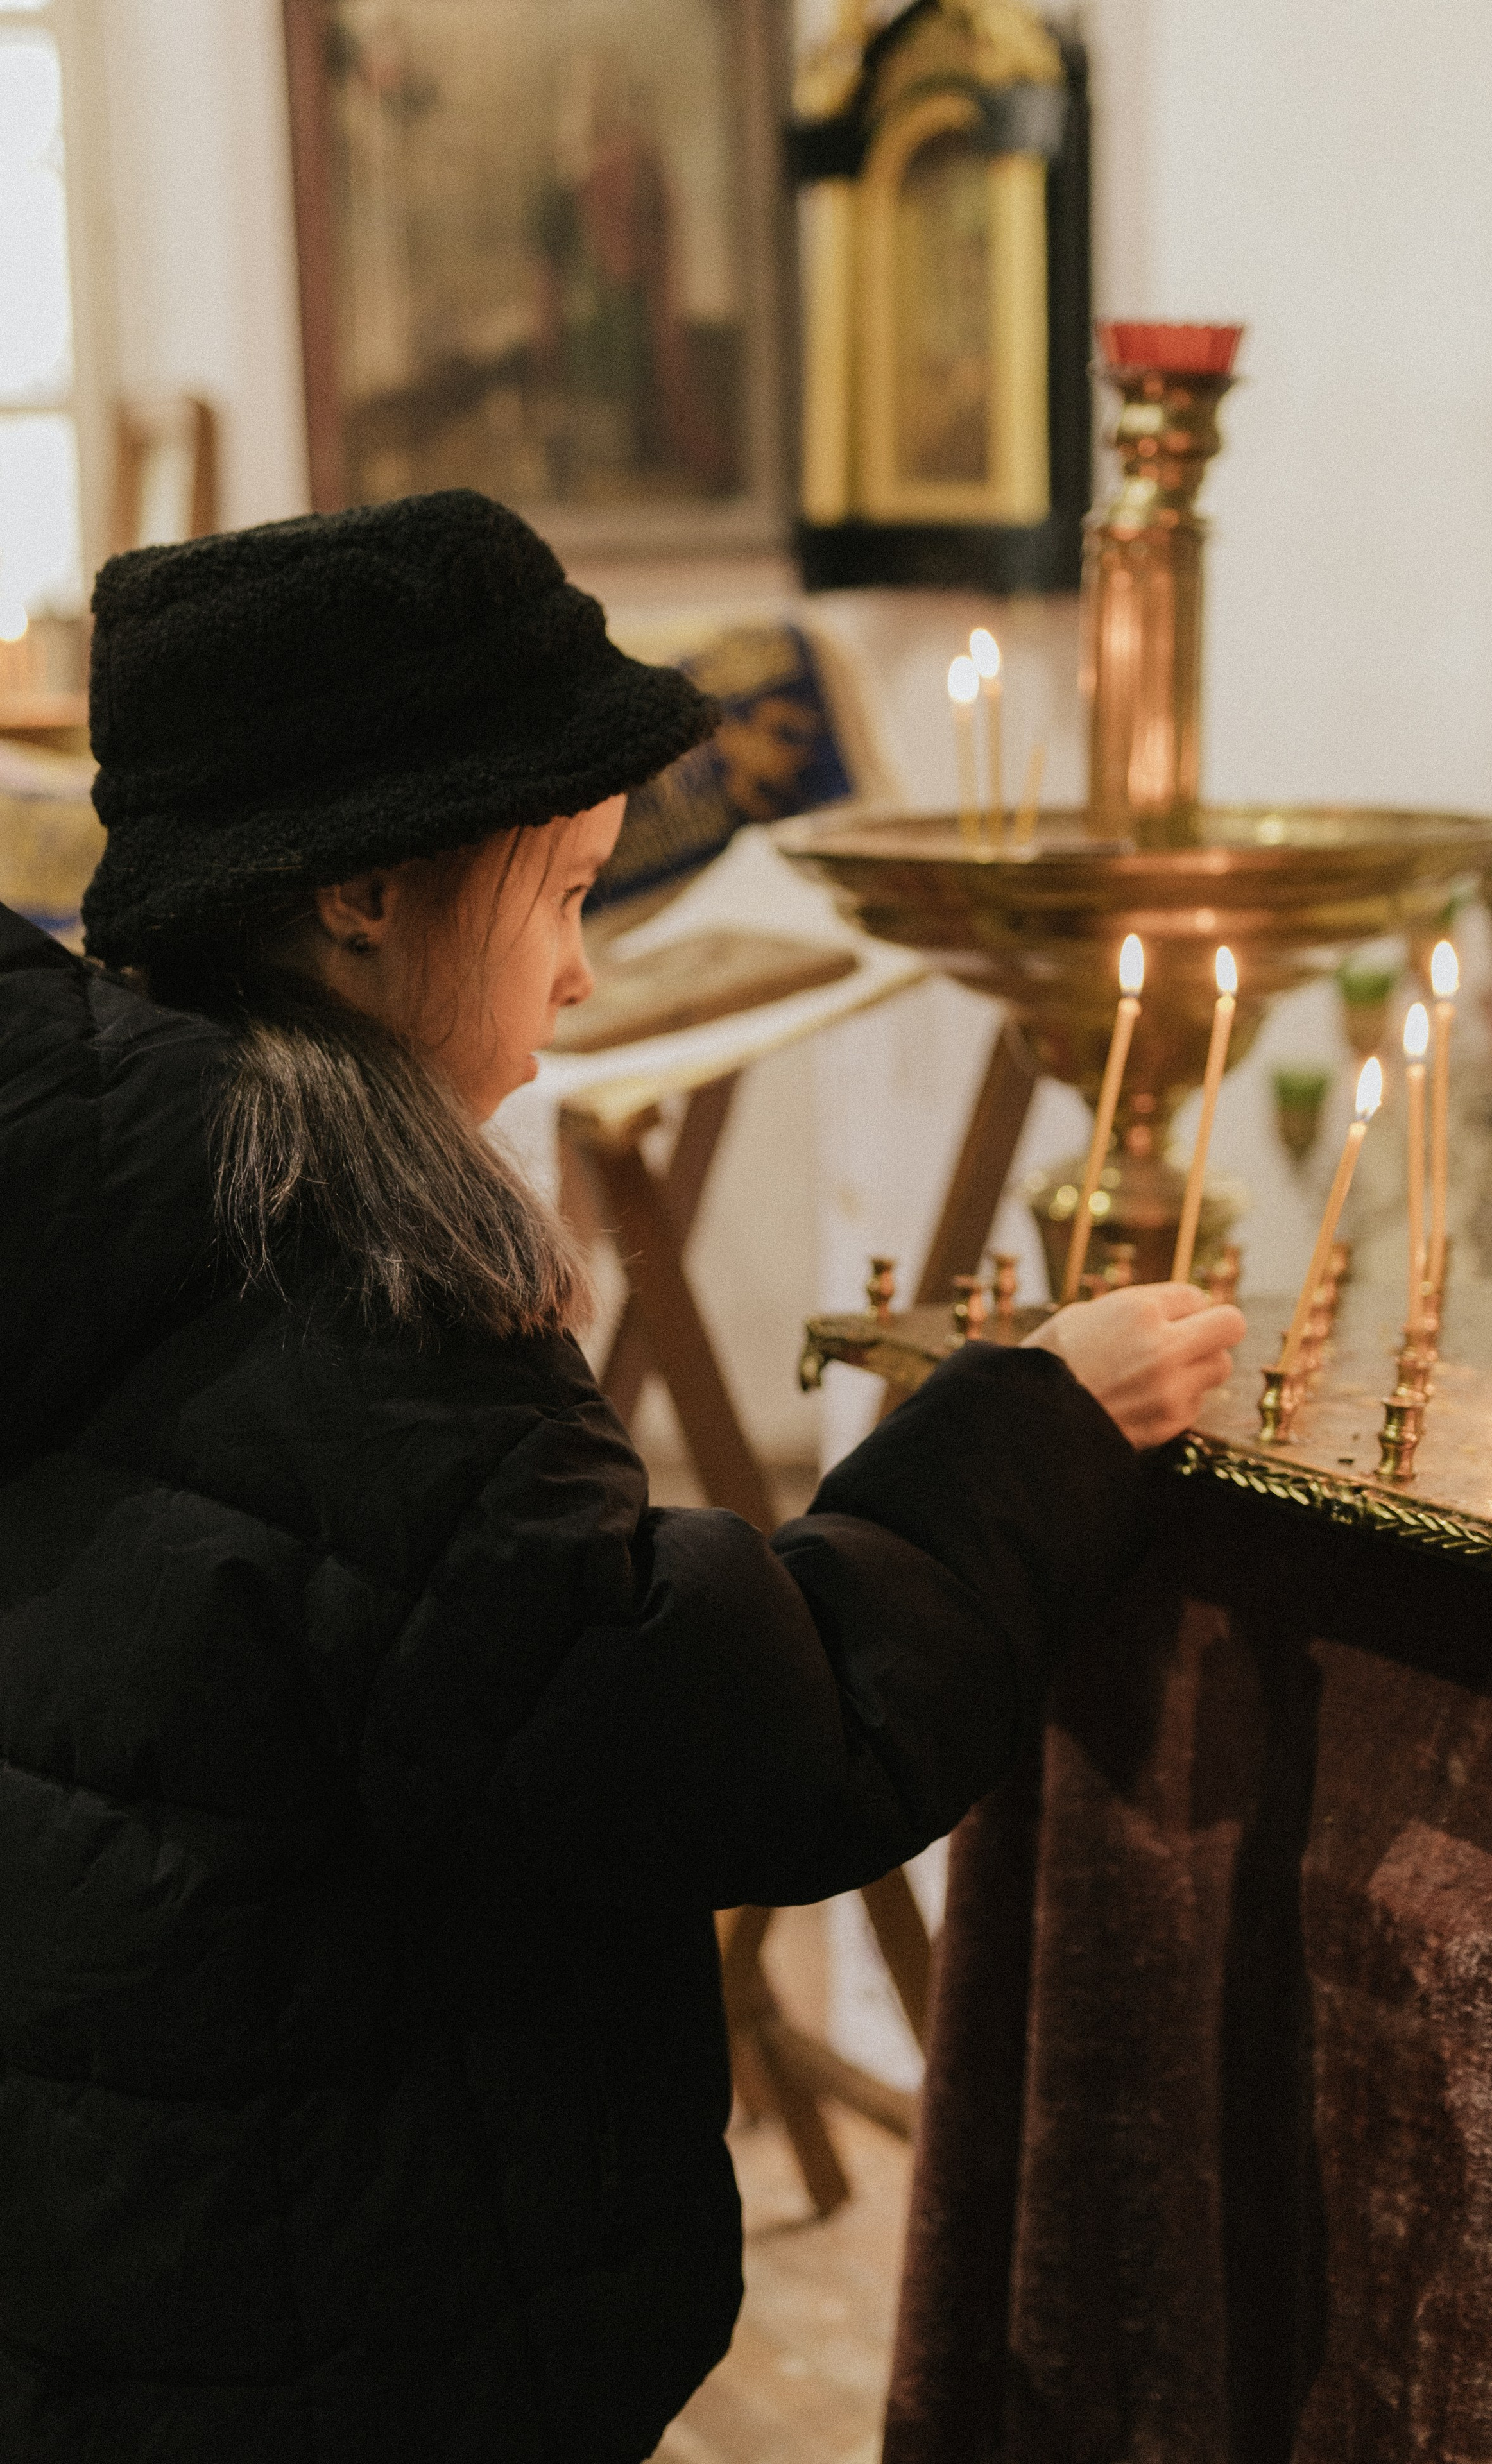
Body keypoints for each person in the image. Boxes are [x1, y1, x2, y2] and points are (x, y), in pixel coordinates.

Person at [0, 490, 1244, 2463]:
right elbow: (745, 1747)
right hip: (340, 2332)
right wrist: (1035, 1429)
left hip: (121, 2277)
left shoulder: (96, 1198)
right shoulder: (356, 1302)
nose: (579, 976)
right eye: (567, 892)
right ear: (365, 893)